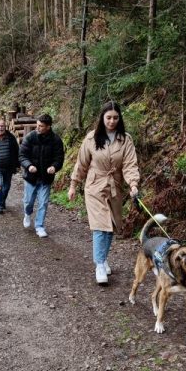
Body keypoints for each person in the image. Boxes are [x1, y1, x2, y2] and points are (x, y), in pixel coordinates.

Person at [68, 101, 140, 285]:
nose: (112, 121)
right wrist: (73, 185)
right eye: (108, 117)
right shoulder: (91, 138)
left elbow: (130, 165)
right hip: (94, 186)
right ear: (102, 118)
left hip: (115, 186)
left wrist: (133, 184)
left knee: (112, 225)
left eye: (115, 118)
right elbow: (81, 164)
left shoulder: (125, 139)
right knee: (100, 225)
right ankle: (99, 265)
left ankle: (103, 258)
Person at [19, 114, 64, 238]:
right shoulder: (30, 137)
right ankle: (27, 214)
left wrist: (54, 167)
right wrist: (29, 166)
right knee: (28, 202)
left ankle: (39, 226)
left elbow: (59, 158)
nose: (37, 128)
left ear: (48, 127)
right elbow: (22, 155)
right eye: (37, 125)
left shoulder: (56, 140)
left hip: (45, 178)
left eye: (41, 126)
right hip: (31, 177)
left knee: (43, 203)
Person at [0, 118, 20, 214]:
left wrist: (17, 165)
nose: (0, 128)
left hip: (8, 167)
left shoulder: (11, 137)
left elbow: (16, 152)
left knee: (6, 186)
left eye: (2, 126)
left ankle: (2, 201)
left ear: (5, 127)